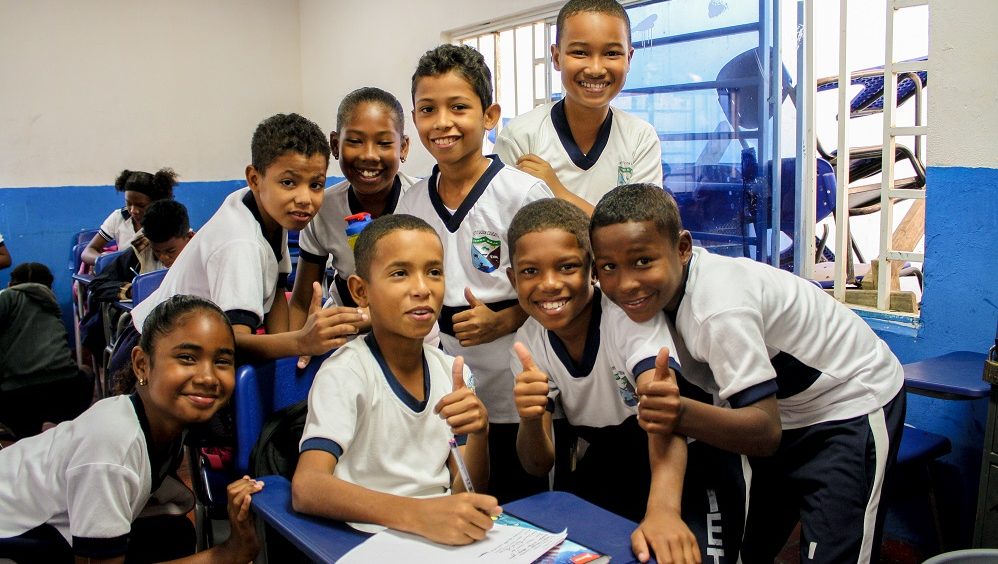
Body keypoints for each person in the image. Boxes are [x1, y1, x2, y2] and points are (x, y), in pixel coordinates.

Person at [589, 183, 906, 564]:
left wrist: (681, 413)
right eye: (609, 267)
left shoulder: (719, 309)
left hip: (848, 403)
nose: (626, 283)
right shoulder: (638, 300)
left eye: (643, 261)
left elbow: (764, 433)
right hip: (780, 409)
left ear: (683, 248)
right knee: (749, 546)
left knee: (838, 553)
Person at [397, 43, 555, 502]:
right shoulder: (411, 203)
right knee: (458, 506)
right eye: (428, 109)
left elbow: (560, 290)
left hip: (513, 385)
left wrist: (505, 320)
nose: (442, 122)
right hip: (444, 388)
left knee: (519, 506)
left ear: (489, 116)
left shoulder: (523, 193)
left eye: (458, 107)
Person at [0, 295, 263, 563]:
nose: (208, 377)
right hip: (11, 535)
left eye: (222, 361)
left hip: (41, 522)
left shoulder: (164, 419)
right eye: (186, 358)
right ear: (141, 364)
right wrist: (228, 553)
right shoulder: (113, 445)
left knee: (173, 534)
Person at [506, 198, 698, 563]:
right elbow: (537, 464)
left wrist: (663, 511)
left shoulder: (627, 317)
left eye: (567, 267)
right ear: (513, 279)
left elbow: (665, 421)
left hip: (681, 457)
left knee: (680, 553)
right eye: (530, 272)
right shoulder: (528, 344)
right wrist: (531, 418)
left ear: (592, 270)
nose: (548, 284)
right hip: (609, 458)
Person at [292, 214, 501, 543]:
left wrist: (479, 431)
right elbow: (307, 487)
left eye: (434, 272)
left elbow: (467, 489)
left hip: (439, 537)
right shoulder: (346, 372)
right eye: (400, 273)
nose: (421, 289)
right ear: (361, 291)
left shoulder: (453, 373)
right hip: (367, 539)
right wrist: (419, 514)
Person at [112, 113, 348, 378]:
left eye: (316, 184)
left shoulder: (266, 210)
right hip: (151, 357)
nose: (305, 198)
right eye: (288, 182)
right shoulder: (240, 242)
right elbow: (232, 342)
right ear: (255, 179)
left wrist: (287, 360)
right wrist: (300, 342)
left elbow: (276, 294)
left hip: (191, 350)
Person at [289, 87, 417, 368]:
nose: (369, 156)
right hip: (342, 340)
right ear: (335, 145)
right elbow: (300, 301)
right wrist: (295, 347)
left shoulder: (422, 203)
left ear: (403, 147)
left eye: (384, 143)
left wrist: (377, 318)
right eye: (355, 141)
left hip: (411, 336)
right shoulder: (323, 208)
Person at [494, 0, 663, 210]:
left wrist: (557, 191)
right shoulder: (520, 138)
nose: (595, 69)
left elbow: (639, 235)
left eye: (611, 53)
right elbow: (501, 231)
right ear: (556, 58)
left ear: (628, 58)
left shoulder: (640, 138)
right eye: (580, 53)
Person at [81, 200, 195, 358]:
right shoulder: (142, 249)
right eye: (157, 251)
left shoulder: (201, 254)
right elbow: (98, 284)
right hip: (152, 328)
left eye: (170, 250)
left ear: (189, 237)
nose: (163, 257)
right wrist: (132, 292)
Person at [0, 263, 90, 439]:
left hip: (18, 395)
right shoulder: (50, 302)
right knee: (85, 372)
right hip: (66, 389)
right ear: (49, 285)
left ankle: (23, 434)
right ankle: (63, 429)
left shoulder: (7, 296)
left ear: (11, 283)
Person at [82, 168, 177, 267]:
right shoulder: (119, 217)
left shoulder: (166, 222)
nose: (133, 210)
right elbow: (88, 251)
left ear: (155, 202)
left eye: (141, 205)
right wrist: (106, 261)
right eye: (128, 203)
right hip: (123, 276)